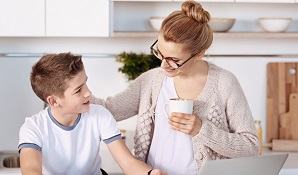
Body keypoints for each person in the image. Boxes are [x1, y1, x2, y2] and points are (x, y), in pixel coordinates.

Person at [91, 0, 259, 174]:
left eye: (175, 60)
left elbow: (250, 146)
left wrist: (201, 129)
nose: (164, 65)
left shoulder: (224, 83)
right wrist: (75, 89)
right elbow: (108, 110)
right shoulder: (150, 81)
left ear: (199, 53)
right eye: (160, 54)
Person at [18, 52, 166, 175]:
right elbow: (31, 170)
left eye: (86, 83)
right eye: (78, 90)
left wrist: (149, 173)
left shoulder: (99, 115)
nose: (88, 93)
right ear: (54, 101)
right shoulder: (33, 128)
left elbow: (127, 163)